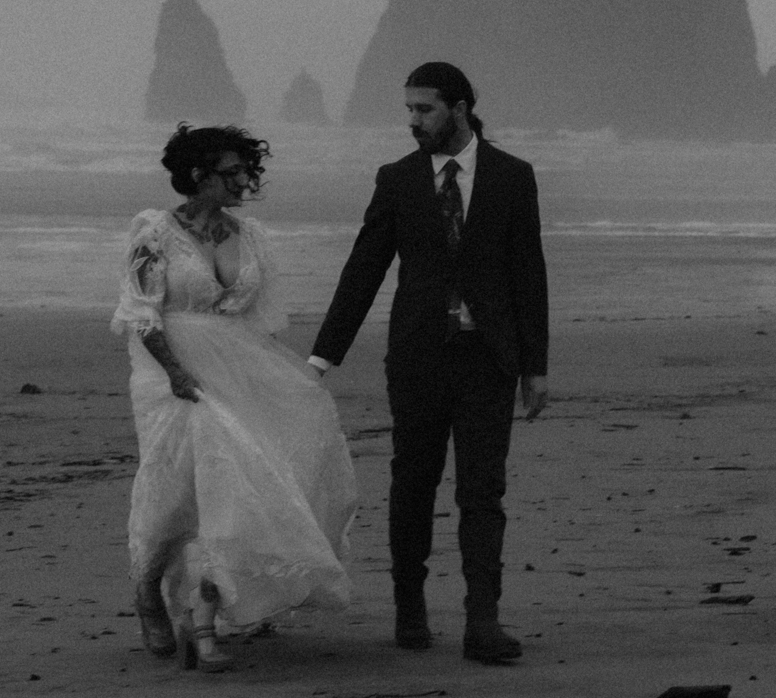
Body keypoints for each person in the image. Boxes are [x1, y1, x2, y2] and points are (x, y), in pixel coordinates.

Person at [309, 61, 549, 665]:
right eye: (409, 109)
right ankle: (409, 608)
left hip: (487, 357)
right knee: (413, 482)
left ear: (459, 108)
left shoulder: (512, 176)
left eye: (425, 109)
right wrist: (322, 356)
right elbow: (365, 267)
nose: (413, 121)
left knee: (482, 490)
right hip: (418, 356)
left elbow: (528, 271)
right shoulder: (398, 179)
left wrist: (535, 365)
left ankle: (482, 622)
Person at [113, 124, 357, 672]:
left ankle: (205, 611)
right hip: (168, 373)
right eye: (232, 173)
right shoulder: (154, 232)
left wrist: (280, 382)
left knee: (234, 484)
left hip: (235, 368)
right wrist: (176, 373)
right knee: (173, 490)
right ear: (197, 174)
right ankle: (148, 587)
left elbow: (256, 321)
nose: (245, 182)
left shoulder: (249, 235)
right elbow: (142, 313)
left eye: (248, 171)